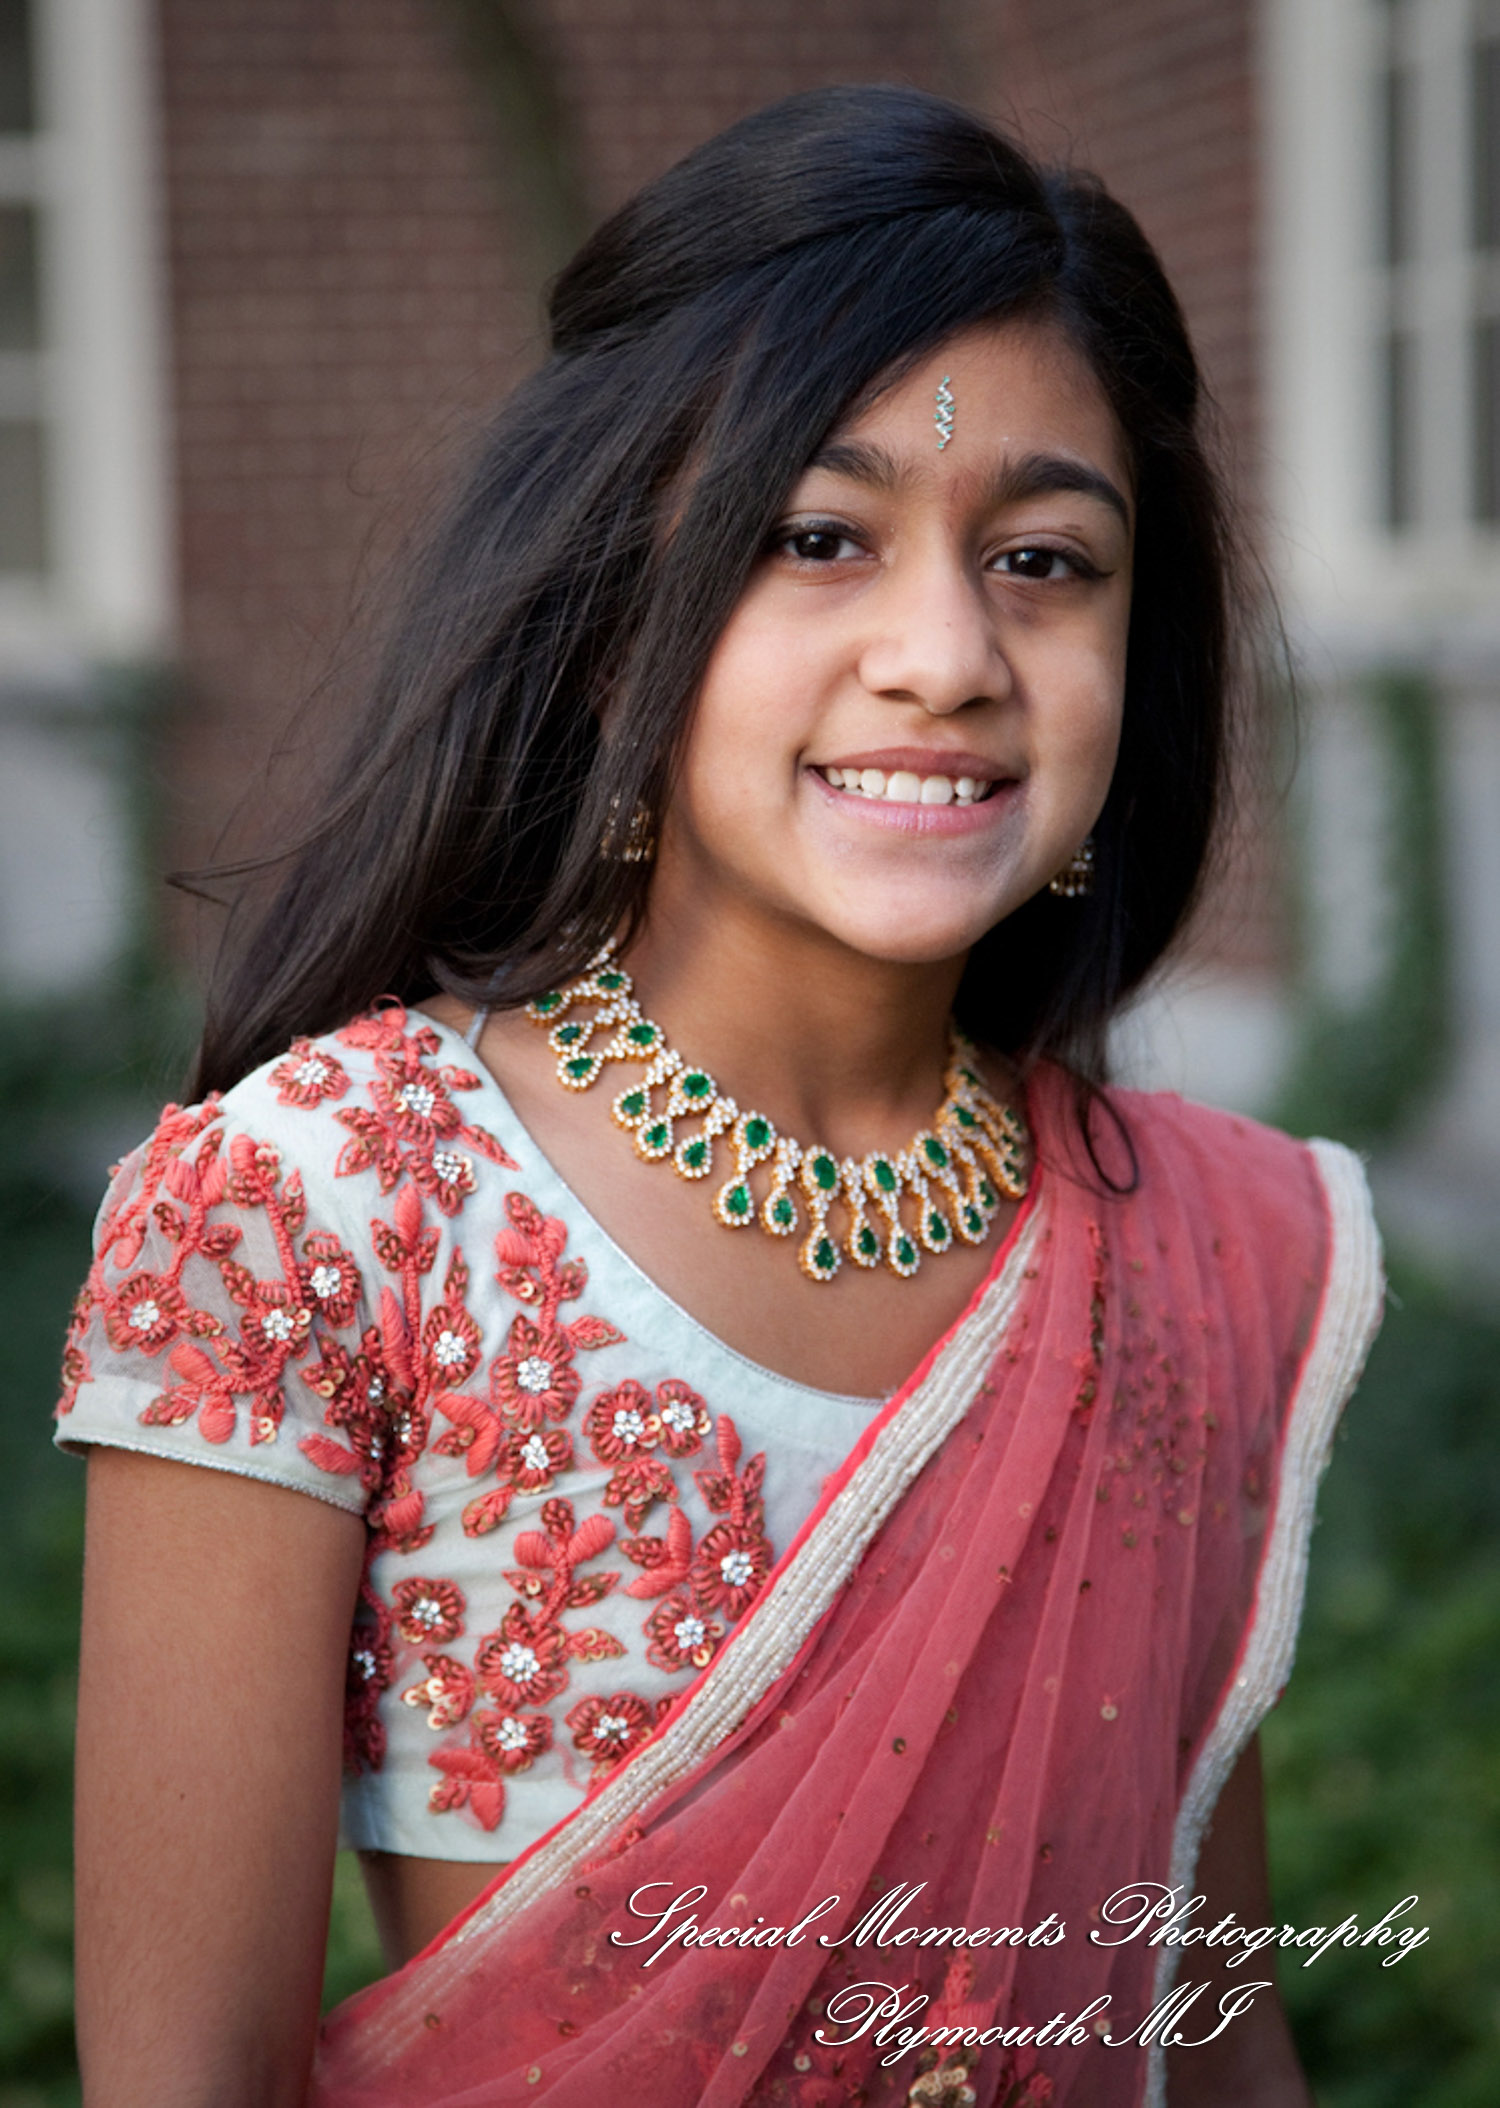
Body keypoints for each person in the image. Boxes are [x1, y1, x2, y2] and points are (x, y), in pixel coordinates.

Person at [55, 85, 1382, 2108]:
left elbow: (1204, 2038)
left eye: (1043, 558)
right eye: (816, 538)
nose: (944, 654)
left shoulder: (1203, 1259)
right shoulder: (313, 1210)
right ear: (612, 628)